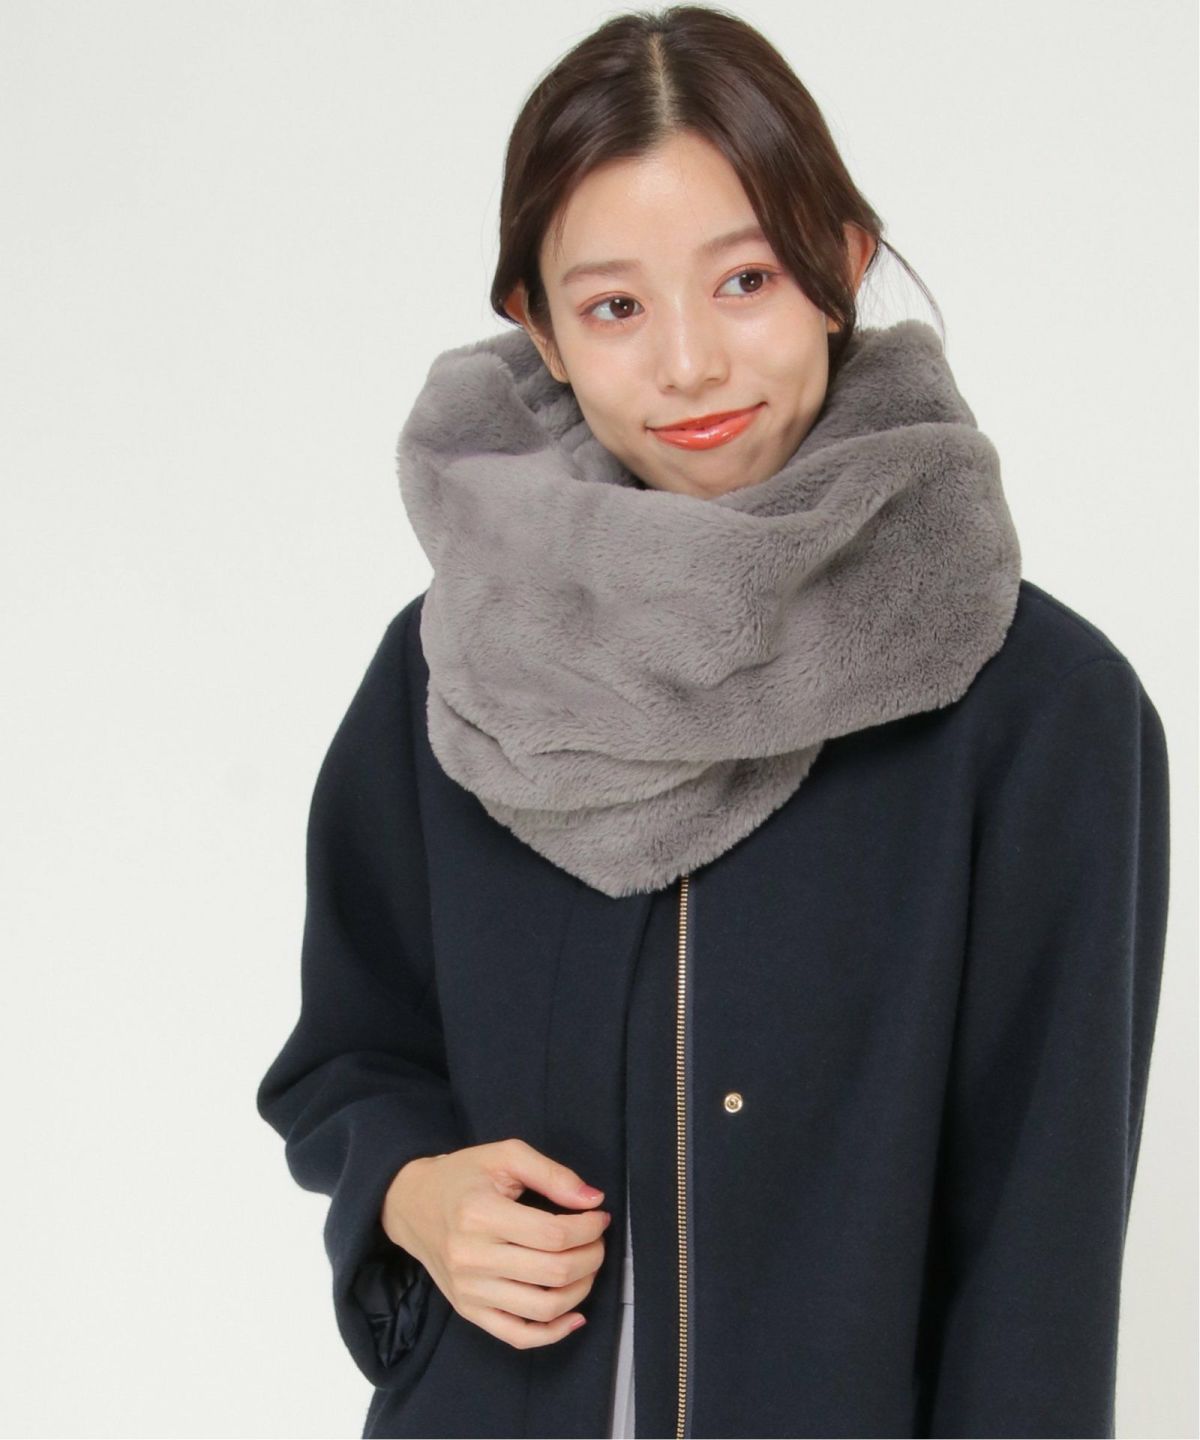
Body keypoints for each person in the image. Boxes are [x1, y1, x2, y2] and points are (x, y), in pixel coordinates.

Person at [255, 7, 1172, 1439]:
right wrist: (416, 1193)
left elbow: (1037, 1259)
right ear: (540, 330)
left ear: (841, 267)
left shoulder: (1038, 712)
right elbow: (349, 1055)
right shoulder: (456, 663)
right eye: (615, 307)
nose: (687, 364)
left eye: (744, 279)